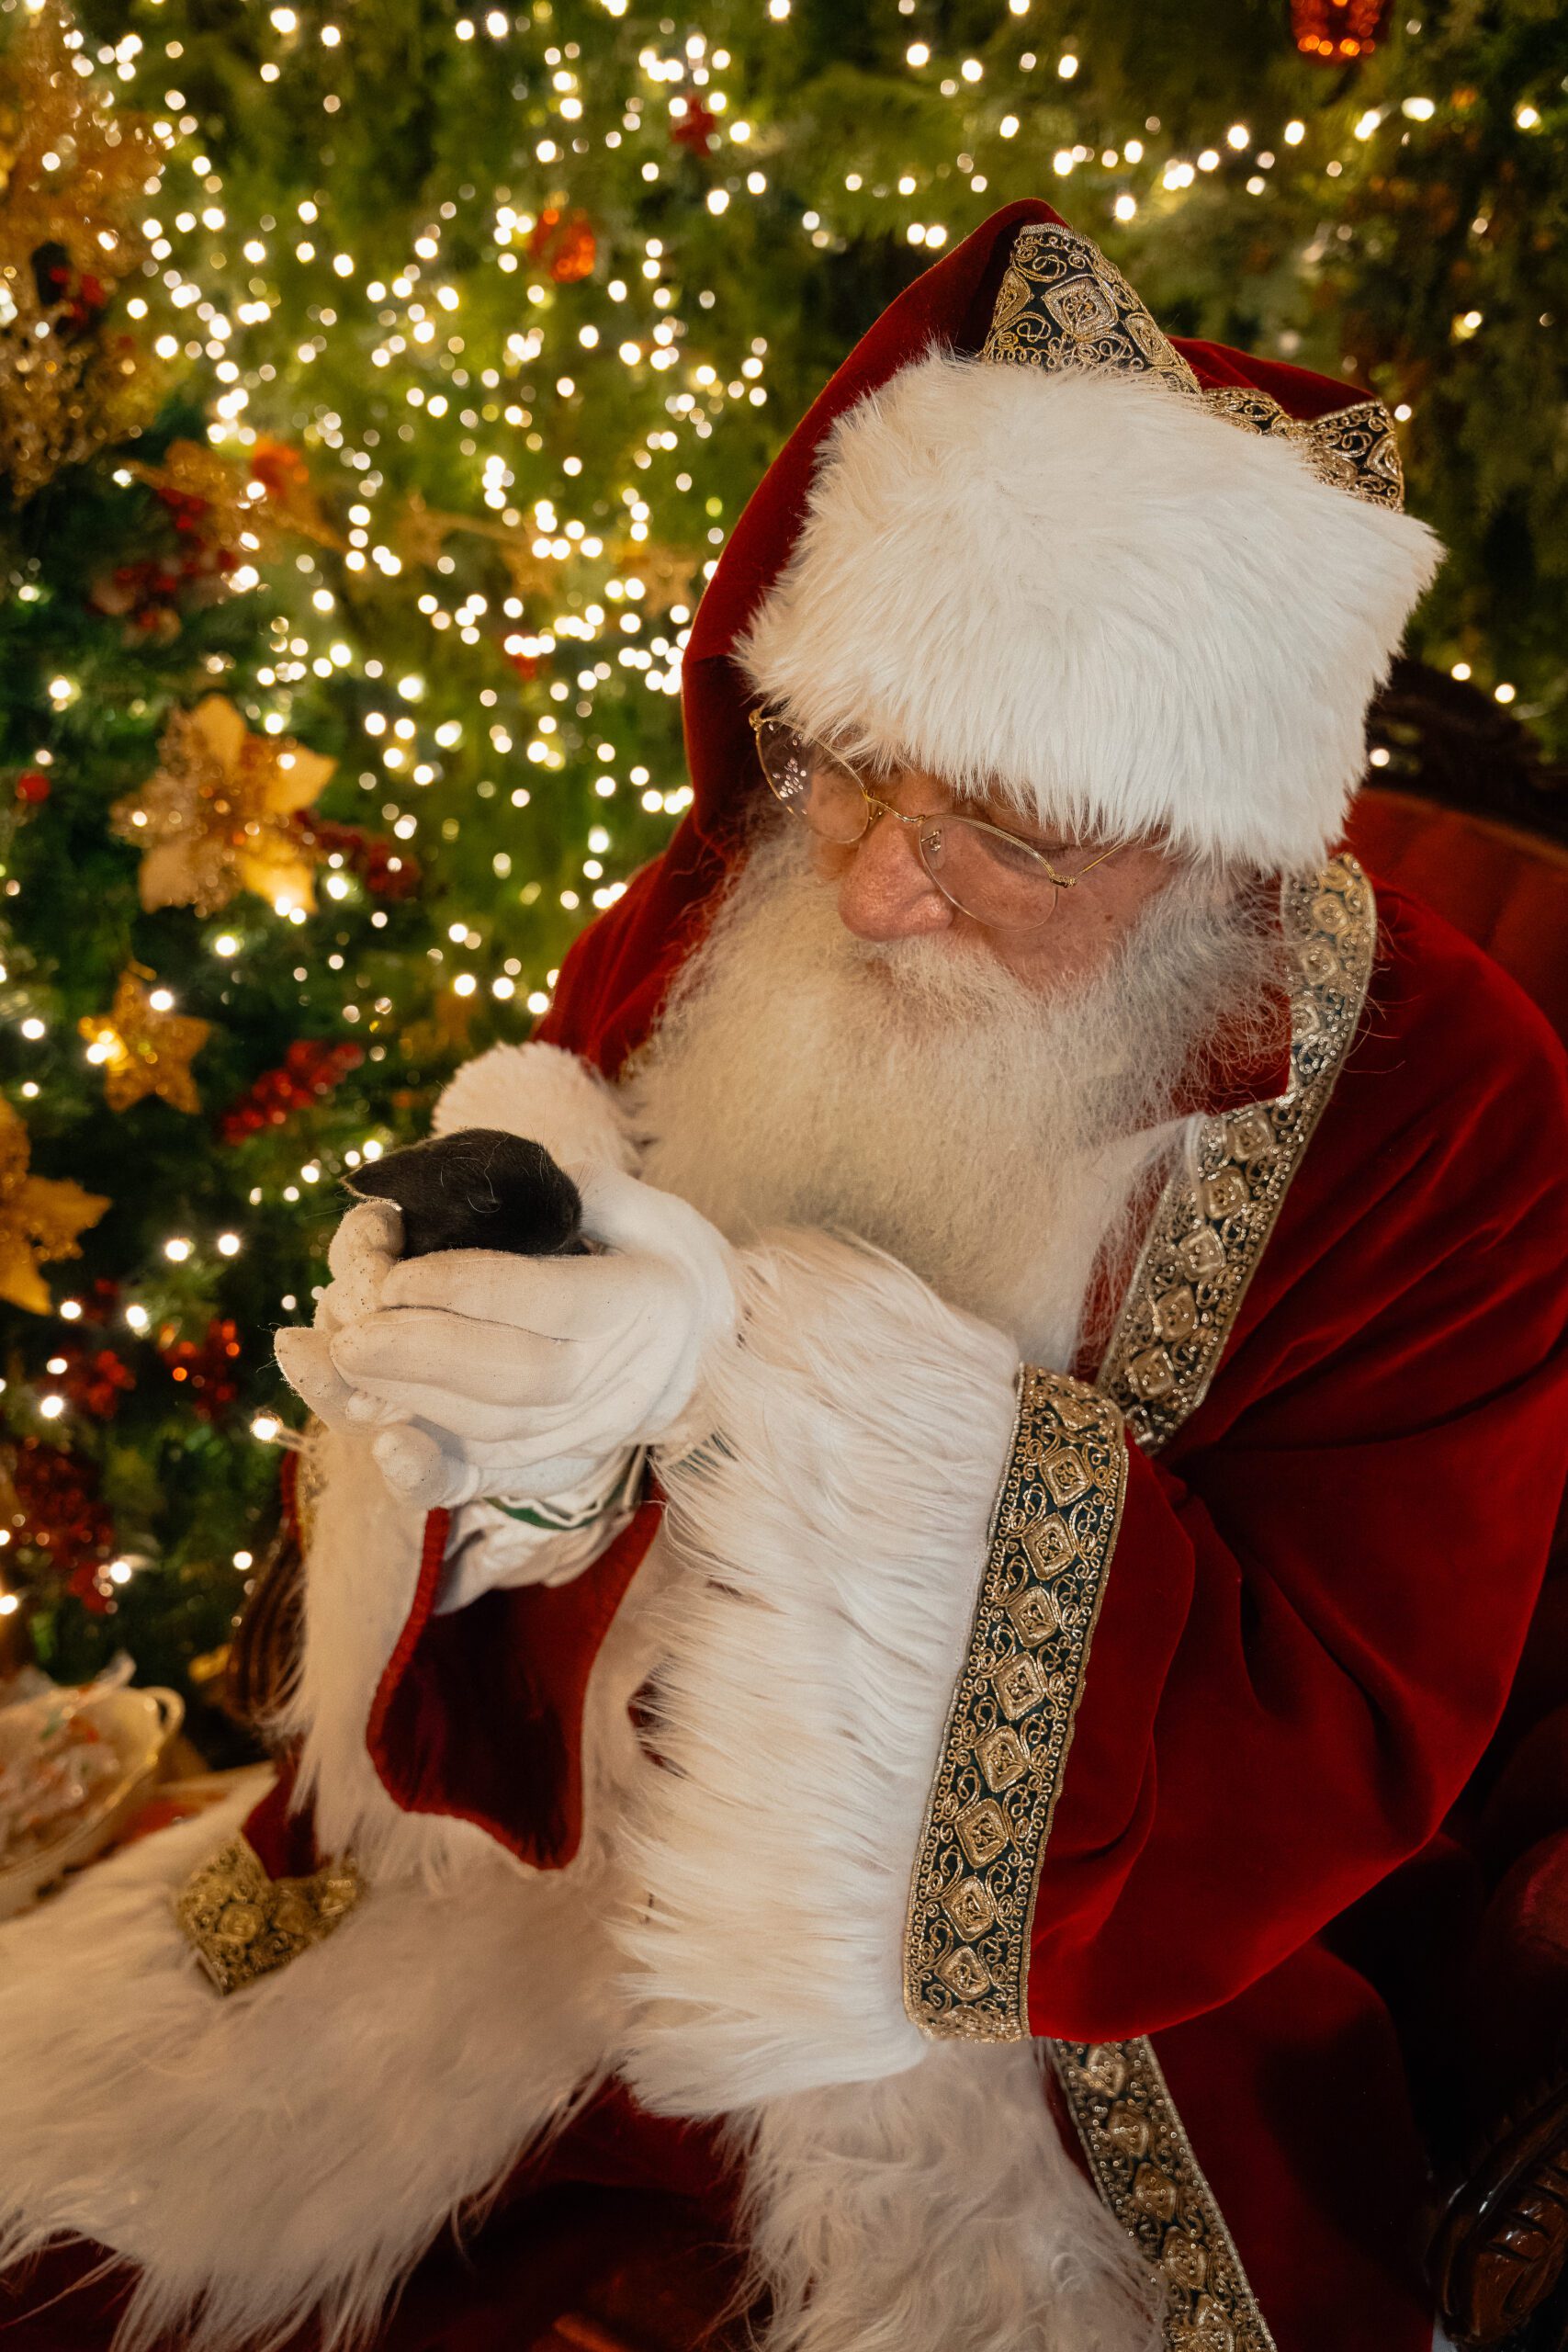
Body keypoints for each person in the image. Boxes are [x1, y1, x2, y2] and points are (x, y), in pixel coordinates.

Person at [3, 198, 1566, 2352]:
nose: (880, 879)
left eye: (1013, 821)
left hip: (1023, 2016)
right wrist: (514, 1455)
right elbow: (484, 1484)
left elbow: (1332, 1729)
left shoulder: (1445, 1107)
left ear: (1218, 840)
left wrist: (768, 1385)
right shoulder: (740, 897)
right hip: (518, 1862)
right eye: (845, 753)